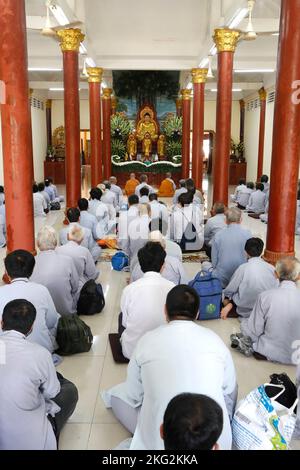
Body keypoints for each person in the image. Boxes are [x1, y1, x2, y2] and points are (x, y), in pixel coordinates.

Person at [102, 285, 237, 450]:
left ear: (165, 311)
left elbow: (133, 393)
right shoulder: (215, 341)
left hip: (164, 439)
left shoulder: (148, 340)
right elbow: (229, 389)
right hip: (210, 433)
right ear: (197, 313)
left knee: (116, 396)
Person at [0, 299, 78, 450]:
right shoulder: (39, 354)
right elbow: (52, 392)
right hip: (30, 439)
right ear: (31, 328)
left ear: (2, 322)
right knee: (68, 389)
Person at [119, 242, 175, 359]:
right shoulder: (172, 288)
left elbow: (125, 322)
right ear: (163, 265)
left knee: (121, 316)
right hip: (165, 351)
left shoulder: (129, 290)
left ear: (140, 264)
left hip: (133, 352)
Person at [239, 257, 300, 364]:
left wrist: (244, 325)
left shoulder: (265, 297)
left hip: (268, 352)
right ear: (298, 276)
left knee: (244, 324)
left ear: (276, 274)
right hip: (296, 356)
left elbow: (253, 331)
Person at [0, 250, 60, 353]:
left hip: (6, 352)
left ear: (6, 272)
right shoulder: (41, 290)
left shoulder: (1, 292)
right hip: (42, 350)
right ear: (32, 270)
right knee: (57, 318)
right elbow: (52, 321)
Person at [221, 238, 278, 320]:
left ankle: (230, 305)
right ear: (261, 251)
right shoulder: (271, 268)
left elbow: (230, 290)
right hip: (266, 310)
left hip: (244, 310)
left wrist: (227, 298)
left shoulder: (243, 268)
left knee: (225, 294)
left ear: (245, 252)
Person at [31, 226, 79, 316]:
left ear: (37, 243)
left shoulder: (31, 262)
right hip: (66, 313)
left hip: (40, 314)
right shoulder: (67, 260)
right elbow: (75, 287)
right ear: (56, 243)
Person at [203, 207, 252, 288]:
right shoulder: (248, 234)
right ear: (241, 220)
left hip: (221, 279)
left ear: (225, 220)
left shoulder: (218, 235)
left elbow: (214, 262)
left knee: (205, 265)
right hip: (240, 278)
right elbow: (250, 258)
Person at [56, 225, 99, 291]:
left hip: (61, 286)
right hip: (79, 288)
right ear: (82, 239)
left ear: (67, 236)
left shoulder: (58, 250)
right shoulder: (84, 251)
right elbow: (92, 274)